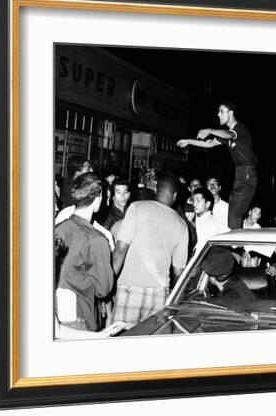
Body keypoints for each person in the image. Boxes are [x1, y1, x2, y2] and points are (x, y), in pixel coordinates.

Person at [112, 171, 189, 329]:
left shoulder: (136, 208)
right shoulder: (181, 224)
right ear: (175, 195)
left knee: (120, 340)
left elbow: (120, 249)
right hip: (159, 293)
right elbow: (179, 271)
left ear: (156, 189)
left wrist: (109, 282)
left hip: (129, 288)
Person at [177, 101, 258, 229]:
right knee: (232, 214)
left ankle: (236, 247)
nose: (218, 114)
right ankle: (235, 244)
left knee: (234, 216)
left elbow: (229, 134)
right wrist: (188, 141)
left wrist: (210, 130)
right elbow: (209, 143)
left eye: (221, 111)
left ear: (230, 112)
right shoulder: (228, 134)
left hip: (247, 174)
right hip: (240, 174)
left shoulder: (239, 129)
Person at [54, 173, 114, 332]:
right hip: (79, 316)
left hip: (54, 312)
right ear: (98, 199)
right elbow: (103, 289)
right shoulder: (96, 240)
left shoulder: (59, 228)